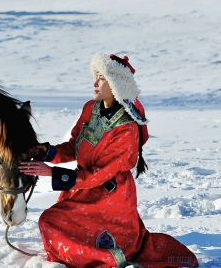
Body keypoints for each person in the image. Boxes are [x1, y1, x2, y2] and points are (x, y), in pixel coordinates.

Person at [20, 53, 199, 268]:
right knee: (54, 222)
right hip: (82, 188)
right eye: (95, 77)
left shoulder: (126, 128)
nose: (95, 83)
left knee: (50, 221)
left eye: (101, 78)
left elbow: (100, 174)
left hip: (110, 197)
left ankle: (108, 259)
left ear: (117, 84)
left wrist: (51, 173)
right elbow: (76, 145)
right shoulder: (91, 108)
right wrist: (46, 152)